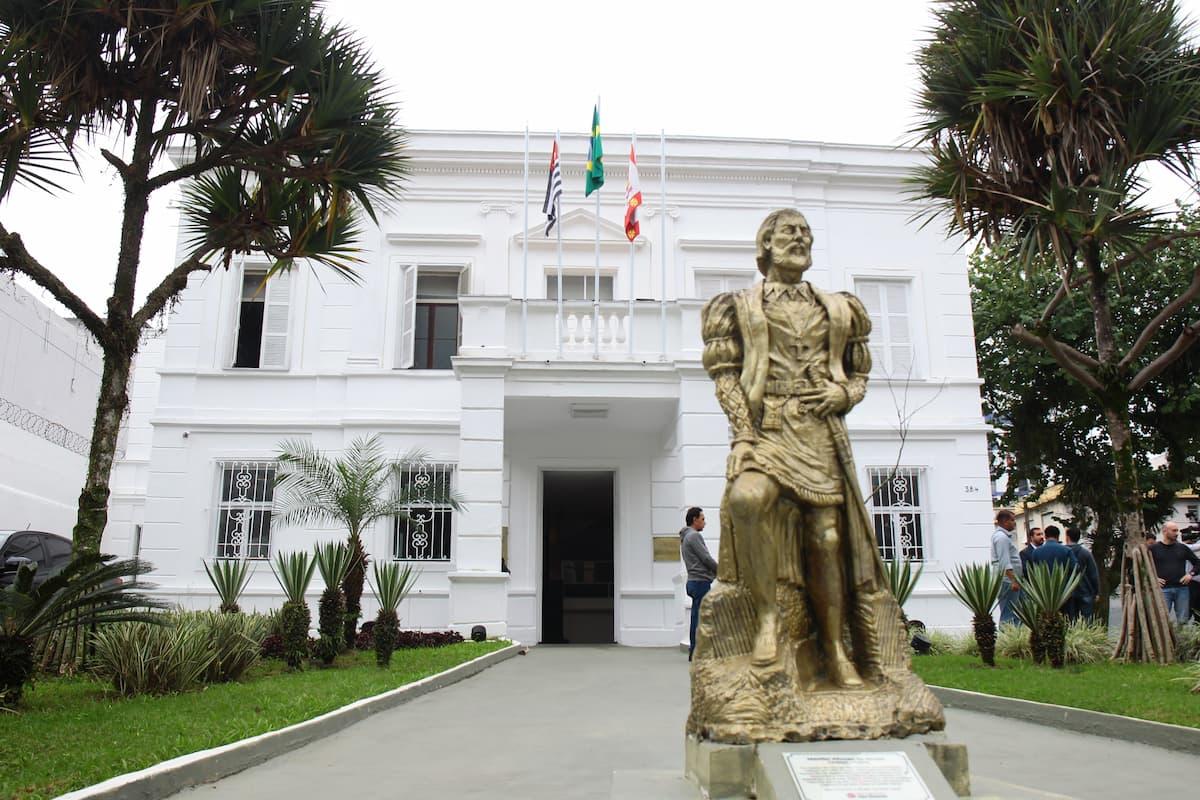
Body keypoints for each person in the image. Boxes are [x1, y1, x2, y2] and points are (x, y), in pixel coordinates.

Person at [699, 208, 888, 687]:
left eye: (805, 232)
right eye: (789, 231)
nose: (800, 239)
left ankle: (834, 648)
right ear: (766, 244)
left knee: (826, 538)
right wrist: (743, 435)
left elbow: (859, 372)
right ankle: (767, 620)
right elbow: (725, 376)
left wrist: (844, 394)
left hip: (819, 432)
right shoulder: (738, 305)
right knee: (747, 499)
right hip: (767, 428)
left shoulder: (839, 307)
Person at [680, 506, 717, 660]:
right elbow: (706, 558)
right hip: (700, 581)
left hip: (693, 581)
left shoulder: (685, 537)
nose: (704, 522)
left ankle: (695, 650)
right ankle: (698, 651)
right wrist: (721, 570)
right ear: (694, 520)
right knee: (701, 618)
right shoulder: (694, 536)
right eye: (702, 519)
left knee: (696, 616)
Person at [1148, 521, 1200, 624]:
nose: (1177, 533)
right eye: (1174, 531)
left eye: (1177, 531)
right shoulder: (1154, 549)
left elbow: (1198, 563)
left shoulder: (1182, 548)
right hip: (1163, 589)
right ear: (1164, 531)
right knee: (1162, 620)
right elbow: (1142, 566)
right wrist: (1153, 578)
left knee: (1183, 620)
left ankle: (1181, 635)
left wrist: (1191, 574)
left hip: (1182, 589)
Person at [991, 510, 1022, 625]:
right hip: (1007, 581)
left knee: (1013, 612)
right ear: (1005, 521)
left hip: (1008, 580)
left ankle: (1013, 633)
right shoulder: (1002, 538)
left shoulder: (1002, 536)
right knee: (1008, 613)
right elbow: (1004, 562)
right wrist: (1013, 580)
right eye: (1012, 520)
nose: (1014, 523)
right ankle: (1007, 633)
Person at [1064, 526, 1100, 622]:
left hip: (1067, 592)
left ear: (1067, 537)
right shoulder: (1086, 553)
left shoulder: (1062, 553)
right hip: (1085, 591)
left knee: (1070, 621)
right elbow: (1093, 574)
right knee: (1088, 621)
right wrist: (1096, 592)